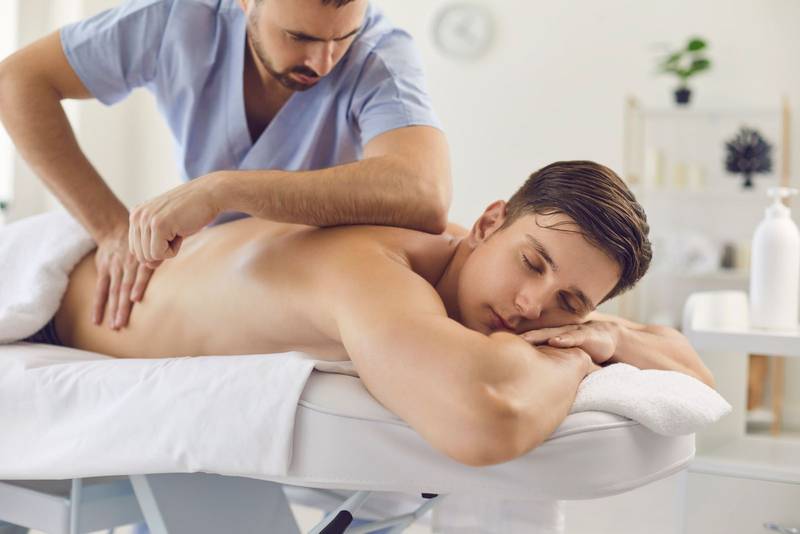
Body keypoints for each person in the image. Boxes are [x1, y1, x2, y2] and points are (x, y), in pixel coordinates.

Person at [26, 161, 714, 467]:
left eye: (568, 302)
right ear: (488, 223)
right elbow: (487, 418)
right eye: (531, 263)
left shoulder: (474, 278)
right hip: (57, 300)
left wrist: (606, 332)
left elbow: (695, 377)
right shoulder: (372, 270)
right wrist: (574, 354)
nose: (533, 306)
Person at [0, 0, 450, 333]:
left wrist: (224, 189)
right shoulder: (177, 19)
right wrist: (110, 229)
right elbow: (17, 81)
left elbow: (424, 192)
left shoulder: (378, 55)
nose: (324, 62)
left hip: (314, 270)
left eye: (343, 37)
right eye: (299, 37)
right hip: (212, 263)